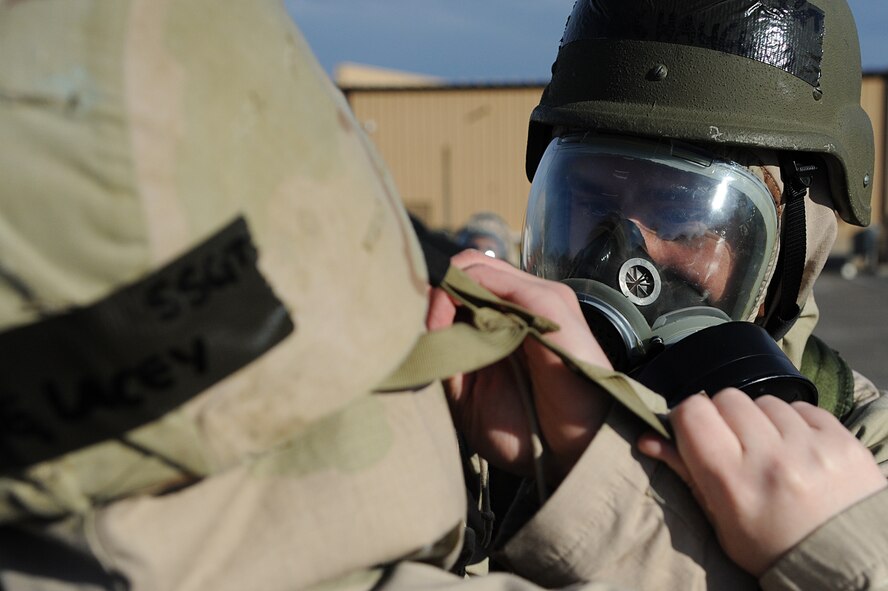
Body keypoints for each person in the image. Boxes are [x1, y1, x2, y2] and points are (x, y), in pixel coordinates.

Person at [0, 2, 887, 591]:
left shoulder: (861, 452)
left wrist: (842, 548)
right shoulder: (451, 389)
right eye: (590, 203)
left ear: (800, 243)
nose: (622, 255)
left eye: (681, 212)